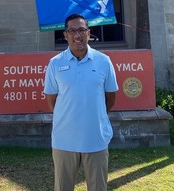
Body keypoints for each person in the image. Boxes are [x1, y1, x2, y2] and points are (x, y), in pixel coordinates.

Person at [43, 14, 118, 191]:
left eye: (82, 30)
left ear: (89, 33)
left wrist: (93, 114)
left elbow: (110, 98)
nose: (78, 35)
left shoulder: (103, 61)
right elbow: (52, 101)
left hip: (96, 140)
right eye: (72, 30)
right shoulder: (55, 63)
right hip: (64, 142)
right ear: (65, 34)